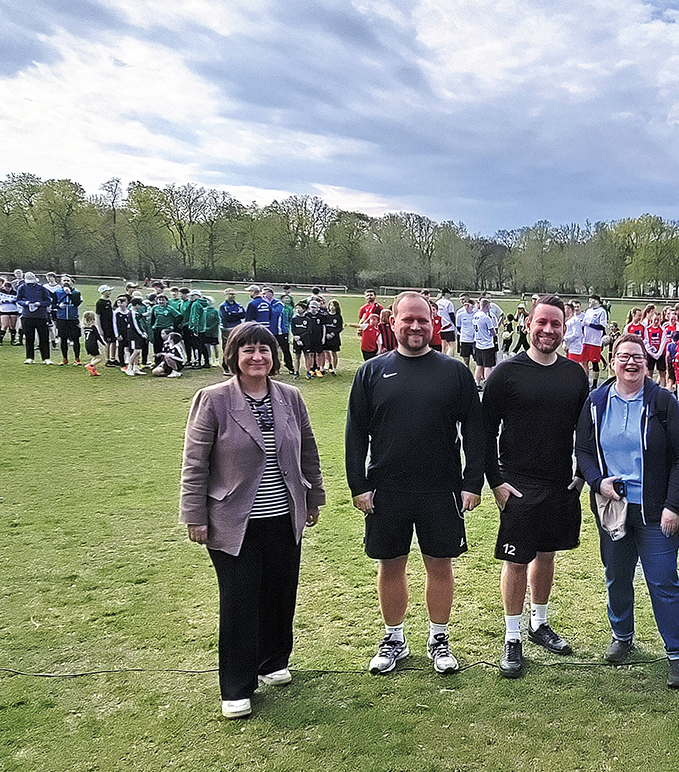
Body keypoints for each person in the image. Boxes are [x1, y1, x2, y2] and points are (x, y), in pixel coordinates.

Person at [180, 322, 325, 719]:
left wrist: (314, 496)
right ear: (234, 356)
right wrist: (194, 514)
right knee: (241, 599)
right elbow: (195, 463)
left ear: (274, 356)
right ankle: (237, 685)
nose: (257, 357)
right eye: (248, 350)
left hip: (283, 515)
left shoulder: (290, 397)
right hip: (233, 520)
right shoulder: (212, 400)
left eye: (264, 349)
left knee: (280, 591)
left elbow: (307, 450)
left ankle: (273, 660)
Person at [346, 292, 485, 676]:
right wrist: (358, 484)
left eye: (423, 320)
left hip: (441, 489)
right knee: (391, 566)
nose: (416, 327)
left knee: (439, 566)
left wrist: (472, 481)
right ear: (393, 323)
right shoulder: (372, 372)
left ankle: (439, 638)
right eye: (407, 320)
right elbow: (356, 432)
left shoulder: (454, 371)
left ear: (434, 324)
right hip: (387, 489)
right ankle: (394, 639)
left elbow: (475, 429)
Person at [576, 335, 679, 689]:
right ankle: (622, 636)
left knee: (663, 581)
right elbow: (582, 449)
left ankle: (677, 654)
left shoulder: (662, 401)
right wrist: (597, 482)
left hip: (656, 511)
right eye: (623, 356)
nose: (630, 363)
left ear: (648, 362)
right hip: (612, 506)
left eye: (637, 357)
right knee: (617, 575)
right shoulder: (596, 401)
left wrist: (674, 504)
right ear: (612, 361)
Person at [482, 296, 591, 678]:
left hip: (560, 482)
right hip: (518, 483)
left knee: (547, 555)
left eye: (556, 324)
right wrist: (495, 481)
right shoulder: (506, 373)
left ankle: (538, 623)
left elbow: (586, 431)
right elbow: (482, 431)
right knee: (516, 559)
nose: (548, 330)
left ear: (565, 328)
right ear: (528, 324)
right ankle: (512, 637)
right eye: (542, 322)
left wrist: (581, 475)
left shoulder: (575, 374)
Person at [16, 272, 55, 364]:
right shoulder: (22, 288)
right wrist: (25, 303)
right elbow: (18, 300)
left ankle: (46, 358)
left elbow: (48, 301)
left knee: (44, 337)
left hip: (41, 316)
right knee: (29, 337)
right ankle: (30, 357)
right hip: (27, 316)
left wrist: (40, 304)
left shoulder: (42, 289)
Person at [580, 295, 608, 388]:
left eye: (590, 301)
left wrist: (590, 324)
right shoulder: (588, 311)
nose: (589, 303)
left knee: (594, 362)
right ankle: (586, 380)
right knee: (583, 361)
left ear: (596, 301)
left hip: (595, 341)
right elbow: (583, 323)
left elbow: (602, 326)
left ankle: (595, 384)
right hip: (586, 340)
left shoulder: (602, 311)